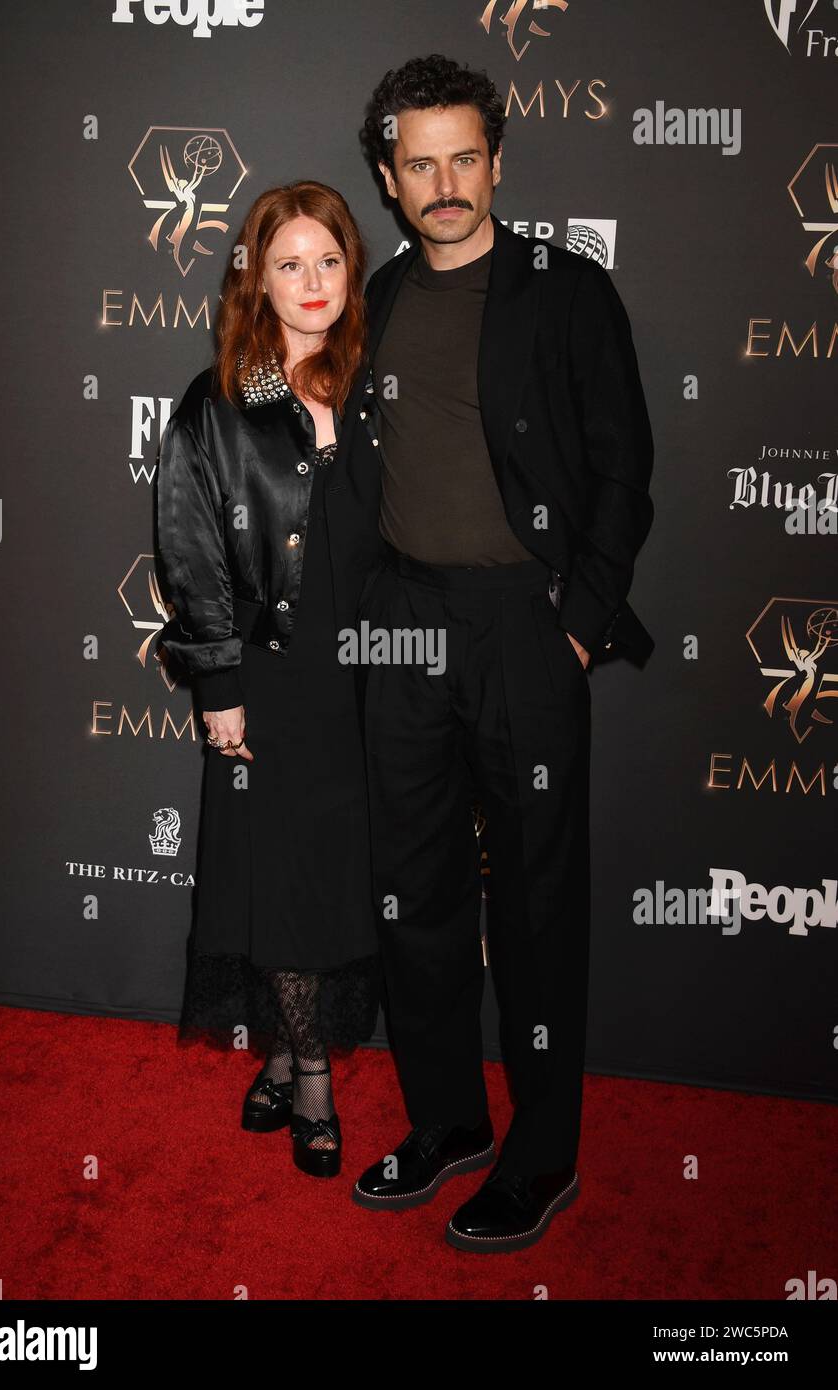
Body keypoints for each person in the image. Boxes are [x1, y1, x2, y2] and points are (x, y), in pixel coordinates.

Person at [343, 55, 655, 1248]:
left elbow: (623, 474)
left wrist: (577, 624)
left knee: (531, 905)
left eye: (462, 157)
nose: (444, 182)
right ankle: (448, 1122)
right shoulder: (375, 295)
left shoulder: (567, 293)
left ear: (497, 162)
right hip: (405, 623)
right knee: (413, 896)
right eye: (418, 163)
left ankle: (541, 1153)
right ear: (388, 177)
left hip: (529, 626)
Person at [155, 181, 384, 1179]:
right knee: (280, 880)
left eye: (327, 260)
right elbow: (190, 549)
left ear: (351, 270)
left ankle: (285, 1053)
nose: (311, 281)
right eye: (288, 262)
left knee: (333, 881)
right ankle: (316, 1081)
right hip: (268, 674)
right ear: (255, 277)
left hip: (369, 681)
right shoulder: (220, 401)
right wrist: (217, 686)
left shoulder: (379, 383)